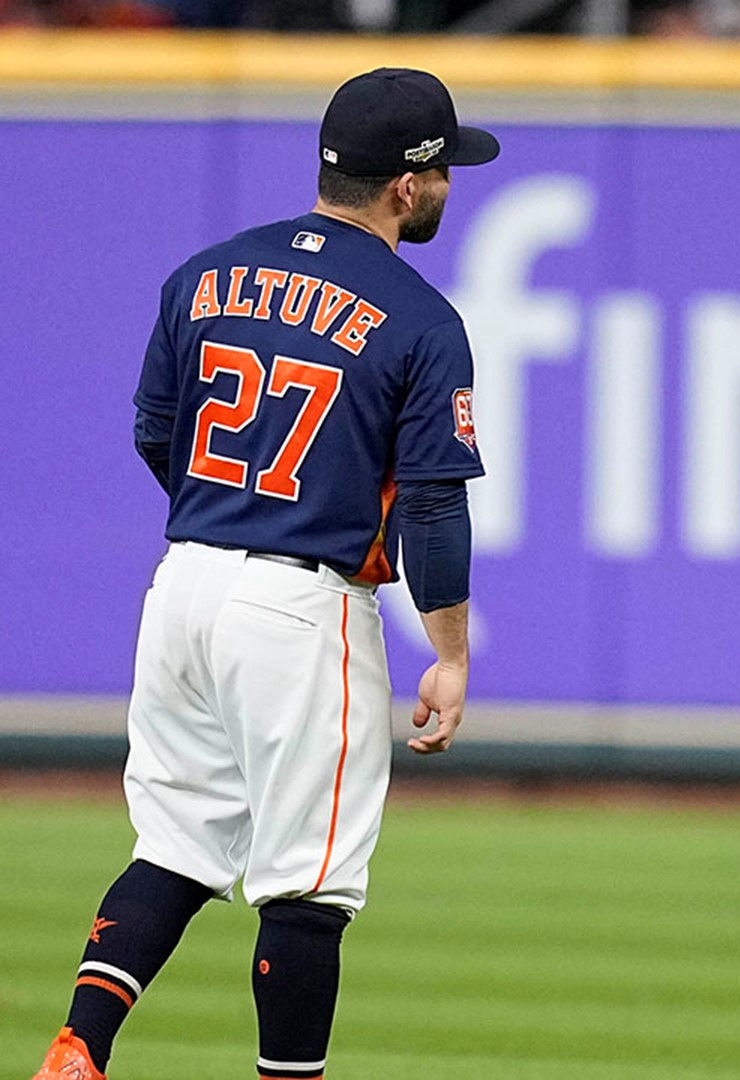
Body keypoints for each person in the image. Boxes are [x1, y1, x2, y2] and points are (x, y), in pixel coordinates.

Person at [32, 67, 495, 1080]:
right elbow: (431, 503)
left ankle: (78, 1046)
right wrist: (451, 656)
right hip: (300, 606)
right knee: (309, 888)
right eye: (446, 172)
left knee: (177, 847)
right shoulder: (420, 318)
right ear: (406, 189)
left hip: (185, 582)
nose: (452, 188)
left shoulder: (204, 275)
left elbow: (157, 428)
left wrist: (223, 517)